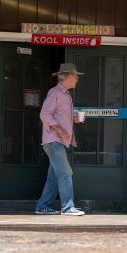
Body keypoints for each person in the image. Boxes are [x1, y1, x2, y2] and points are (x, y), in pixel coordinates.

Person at [35, 63, 85, 216]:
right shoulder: (55, 92)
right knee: (65, 173)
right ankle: (68, 207)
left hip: (59, 142)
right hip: (53, 141)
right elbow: (44, 115)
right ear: (68, 77)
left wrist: (73, 119)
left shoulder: (66, 95)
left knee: (55, 176)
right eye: (76, 77)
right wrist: (61, 130)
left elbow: (58, 116)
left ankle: (42, 206)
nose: (77, 79)